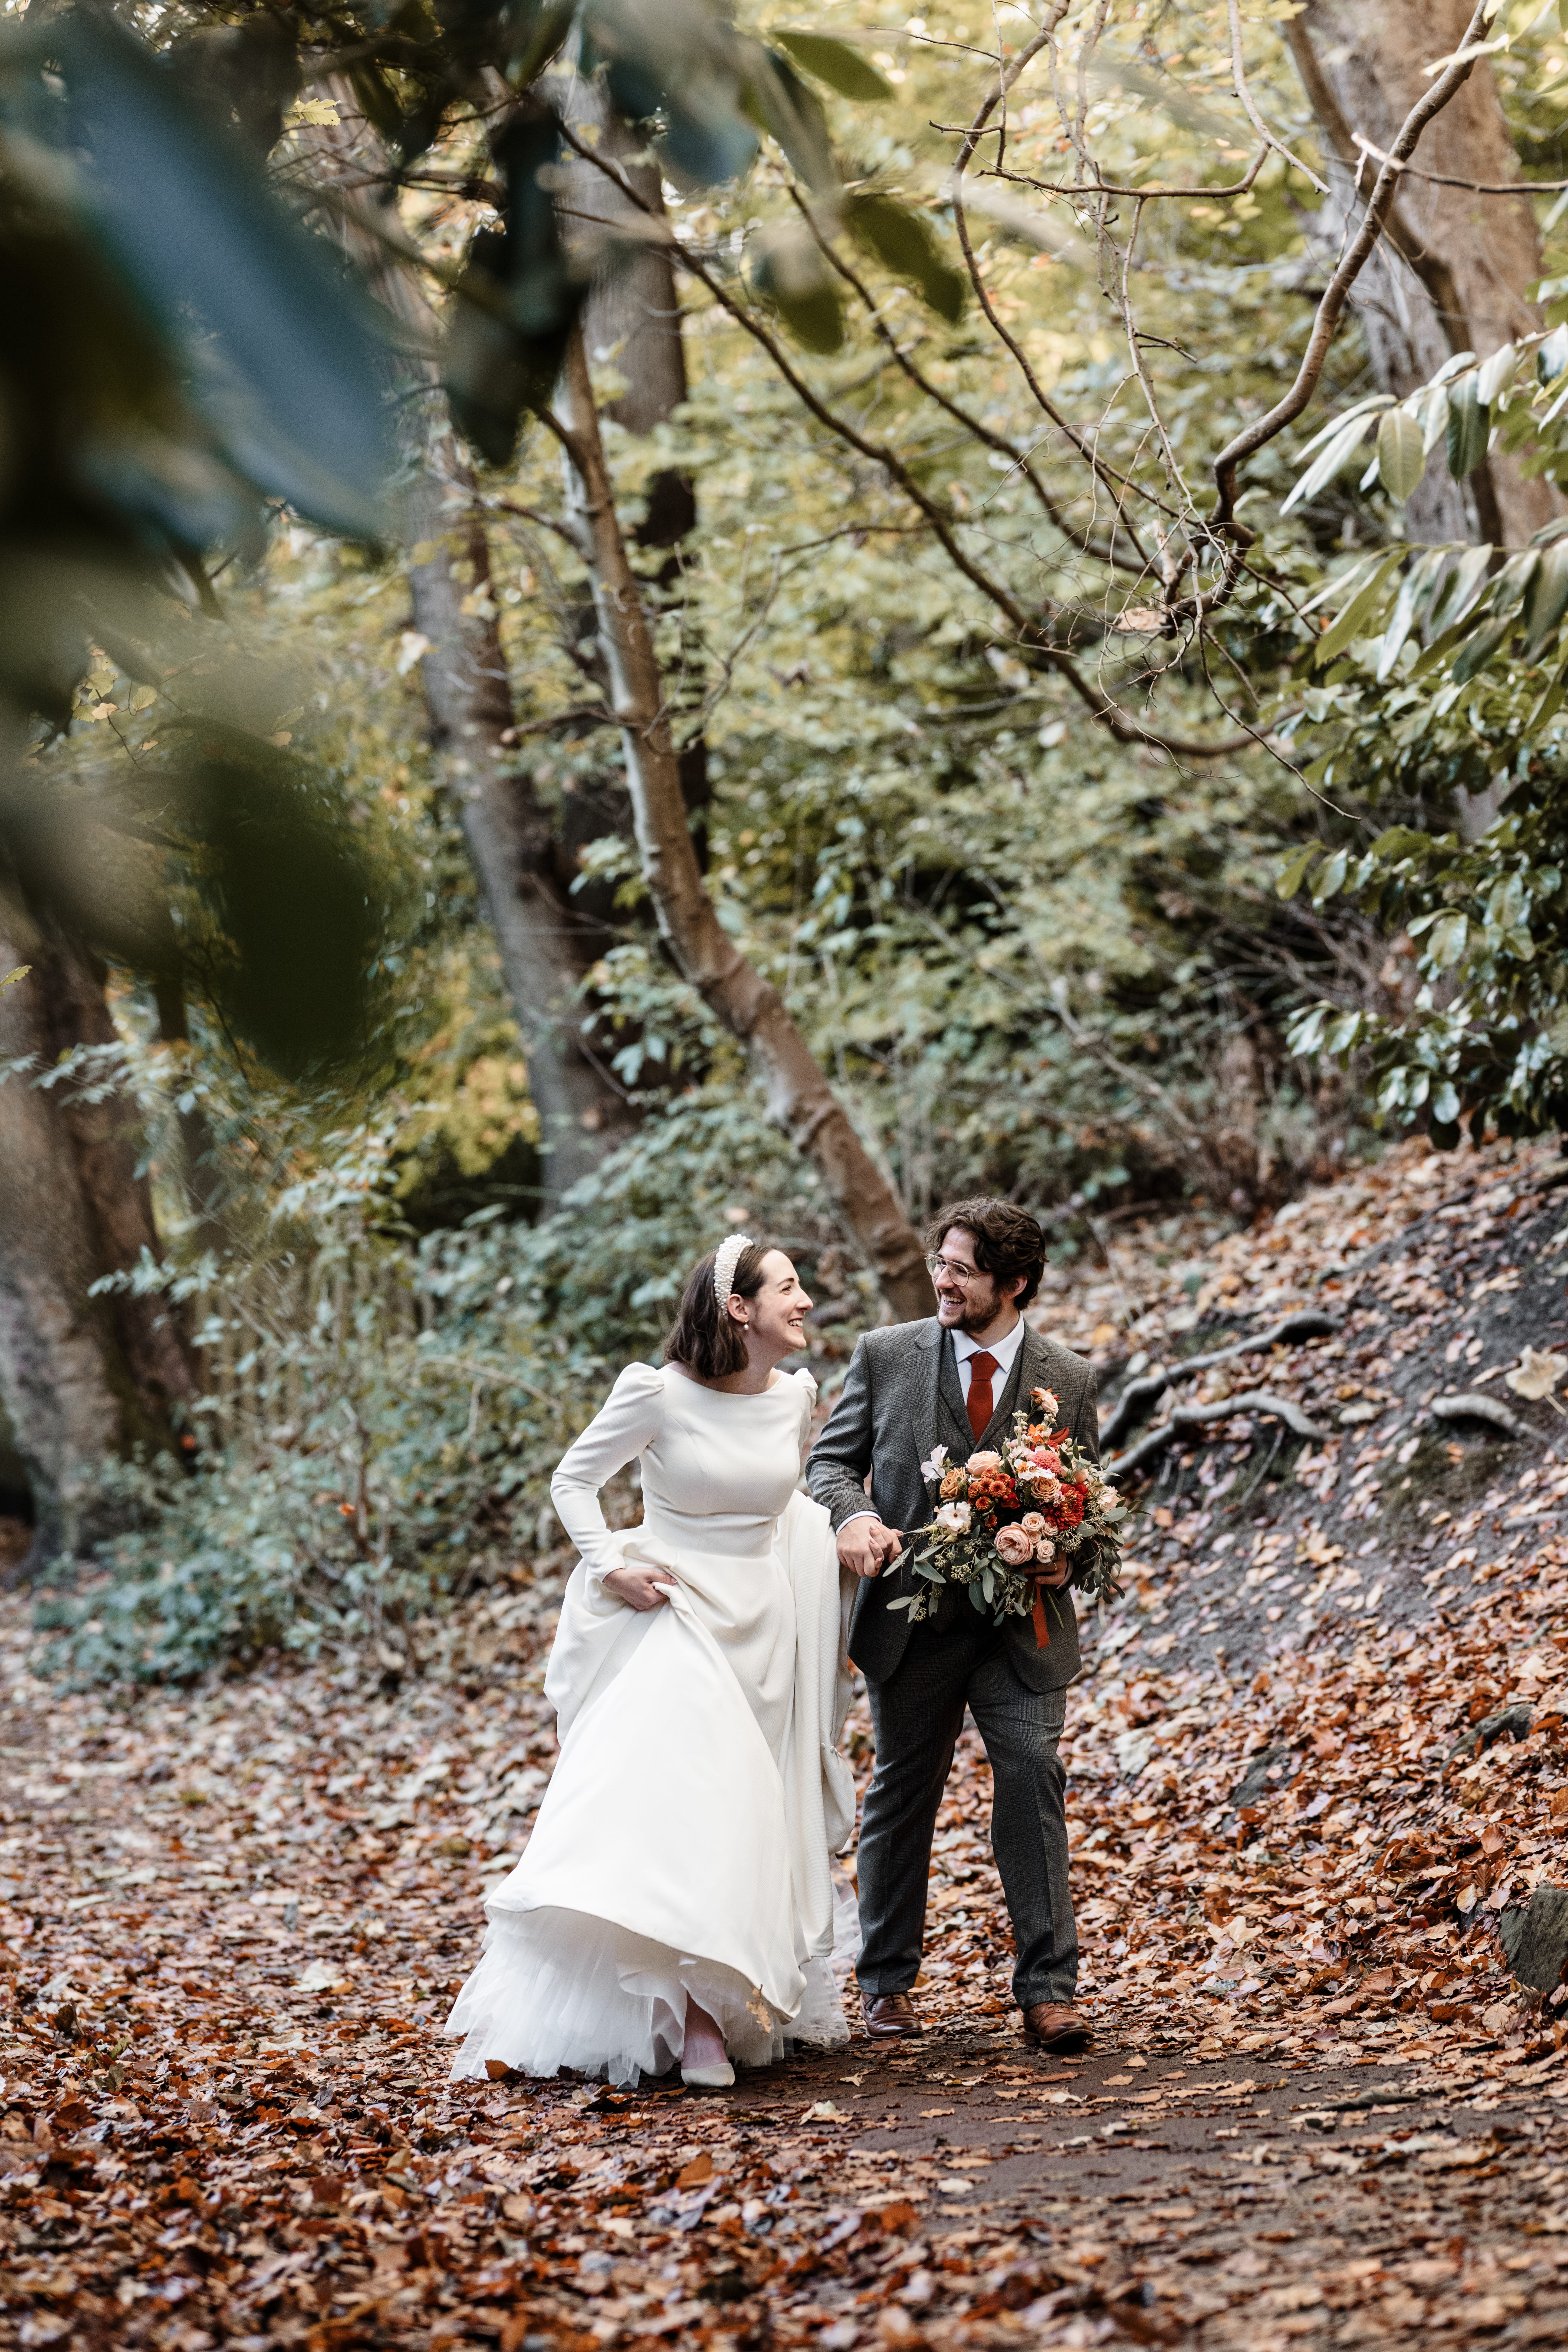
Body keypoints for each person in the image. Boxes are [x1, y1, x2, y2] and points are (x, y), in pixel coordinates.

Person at [444, 1237, 861, 2089]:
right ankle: (699, 2022)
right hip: (677, 1609)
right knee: (698, 1809)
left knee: (755, 1816)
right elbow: (573, 1481)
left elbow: (788, 1508)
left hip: (769, 1624)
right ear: (739, 1309)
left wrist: (843, 1535)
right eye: (789, 1287)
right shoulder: (656, 1393)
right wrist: (611, 1564)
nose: (807, 1300)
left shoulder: (795, 1400)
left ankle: (736, 1996)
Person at [806, 1196, 1098, 2052]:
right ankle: (886, 1984)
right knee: (904, 1793)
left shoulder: (1069, 1377)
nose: (942, 1279)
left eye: (962, 1270)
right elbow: (831, 1464)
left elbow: (1088, 1503)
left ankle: (1049, 1992)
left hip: (1024, 1632)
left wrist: (1065, 1556)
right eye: (941, 1261)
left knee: (1034, 1774)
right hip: (912, 1622)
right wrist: (852, 1517)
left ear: (1015, 1284)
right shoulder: (886, 1355)